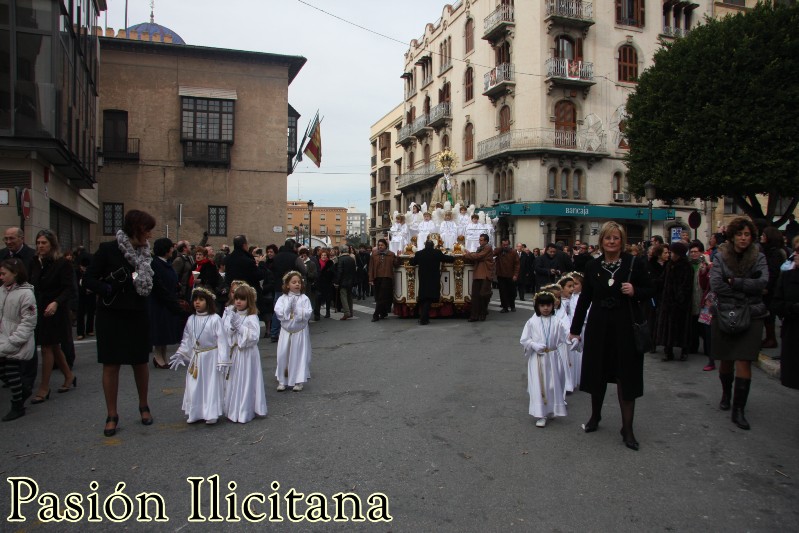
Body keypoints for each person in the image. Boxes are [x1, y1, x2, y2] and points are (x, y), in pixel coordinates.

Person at [569, 221, 654, 451]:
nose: (612, 242)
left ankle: (627, 428)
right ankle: (595, 417)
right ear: (602, 241)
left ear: (622, 241)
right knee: (598, 373)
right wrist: (575, 329)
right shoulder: (592, 266)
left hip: (626, 327)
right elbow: (584, 299)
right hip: (599, 327)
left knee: (626, 376)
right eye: (608, 238)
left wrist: (635, 291)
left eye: (616, 238)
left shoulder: (633, 263)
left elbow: (651, 289)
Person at [84, 209, 157, 436]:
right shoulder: (108, 249)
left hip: (137, 312)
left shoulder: (146, 254)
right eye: (148, 229)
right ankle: (112, 414)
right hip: (111, 313)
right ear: (137, 228)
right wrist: (107, 287)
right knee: (111, 363)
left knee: (140, 361)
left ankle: (143, 405)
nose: (150, 235)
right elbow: (88, 279)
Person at [711, 217, 769, 430]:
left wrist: (735, 282)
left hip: (752, 313)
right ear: (732, 235)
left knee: (744, 360)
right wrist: (746, 287)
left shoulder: (759, 257)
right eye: (739, 234)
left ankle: (738, 409)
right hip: (725, 312)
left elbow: (763, 282)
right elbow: (716, 284)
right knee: (726, 360)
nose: (743, 238)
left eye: (747, 235)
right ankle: (727, 393)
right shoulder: (721, 256)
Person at [29, 230, 76, 404]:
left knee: (47, 347)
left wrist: (56, 302)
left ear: (52, 245)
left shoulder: (62, 263)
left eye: (44, 243)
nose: (40, 246)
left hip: (55, 310)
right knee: (54, 346)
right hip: (39, 308)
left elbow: (69, 288)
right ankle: (69, 376)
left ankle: (44, 387)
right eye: (38, 242)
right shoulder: (34, 262)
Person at [169, 287, 226, 424]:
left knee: (210, 385)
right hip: (196, 357)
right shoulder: (191, 319)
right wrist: (181, 353)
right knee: (194, 385)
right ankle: (195, 412)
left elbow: (222, 340)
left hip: (211, 356)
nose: (197, 302)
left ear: (208, 302)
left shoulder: (215, 319)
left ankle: (211, 413)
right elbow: (187, 339)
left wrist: (223, 360)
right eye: (195, 300)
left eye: (201, 300)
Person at [520, 291, 570, 428]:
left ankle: (553, 409)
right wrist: (533, 345)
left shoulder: (557, 321)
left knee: (554, 384)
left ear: (553, 306)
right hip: (538, 359)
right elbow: (524, 339)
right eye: (542, 305)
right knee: (539, 384)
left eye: (548, 305)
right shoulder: (532, 321)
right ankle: (541, 414)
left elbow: (566, 336)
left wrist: (574, 340)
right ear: (537, 306)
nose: (546, 308)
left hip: (553, 357)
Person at [222, 284, 267, 423]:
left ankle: (244, 411)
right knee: (234, 381)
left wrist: (239, 327)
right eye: (236, 299)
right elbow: (225, 334)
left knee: (246, 381)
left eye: (242, 299)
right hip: (235, 353)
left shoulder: (252, 317)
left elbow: (253, 337)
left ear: (249, 301)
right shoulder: (232, 314)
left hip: (247, 354)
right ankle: (232, 410)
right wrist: (230, 327)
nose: (238, 302)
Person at [0, 258, 37, 421]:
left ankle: (17, 405)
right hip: (3, 338)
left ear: (15, 274)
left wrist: (14, 341)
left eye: (3, 273)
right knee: (5, 371)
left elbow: (28, 321)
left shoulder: (26, 294)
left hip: (16, 340)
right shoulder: (2, 291)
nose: (0, 277)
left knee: (11, 370)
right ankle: (23, 390)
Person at [149, 238, 186, 369]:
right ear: (165, 249)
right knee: (160, 331)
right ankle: (158, 357)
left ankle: (163, 357)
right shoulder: (155, 264)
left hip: (168, 300)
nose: (172, 250)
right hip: (160, 302)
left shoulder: (166, 263)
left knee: (165, 331)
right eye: (171, 247)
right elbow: (158, 285)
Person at [274, 271, 313, 392]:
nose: (297, 284)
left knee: (299, 355)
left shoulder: (304, 298)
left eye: (299, 282)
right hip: (286, 331)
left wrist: (297, 310)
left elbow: (308, 313)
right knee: (283, 355)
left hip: (299, 331)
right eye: (294, 282)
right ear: (287, 285)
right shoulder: (282, 298)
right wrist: (288, 308)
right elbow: (278, 312)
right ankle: (282, 380)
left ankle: (298, 380)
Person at [655, 241, 693, 361]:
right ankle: (668, 351)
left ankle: (684, 351)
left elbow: (686, 286)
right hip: (667, 302)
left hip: (680, 304)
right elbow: (662, 280)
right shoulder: (669, 265)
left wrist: (679, 298)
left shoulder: (687, 267)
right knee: (668, 329)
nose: (670, 254)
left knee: (682, 328)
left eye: (672, 252)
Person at [410, 240, 455, 325]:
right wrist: (453, 256)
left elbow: (412, 262)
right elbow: (448, 259)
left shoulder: (419, 253)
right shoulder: (437, 252)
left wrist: (412, 257)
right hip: (433, 278)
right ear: (433, 245)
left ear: (424, 245)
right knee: (429, 298)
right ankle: (424, 318)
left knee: (424, 298)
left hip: (423, 278)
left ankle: (424, 318)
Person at [773, 247, 799, 389]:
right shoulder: (787, 277)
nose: (796, 255)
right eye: (796, 252)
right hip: (792, 332)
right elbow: (776, 303)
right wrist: (791, 307)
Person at [269, 240, 306, 342]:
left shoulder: (276, 257)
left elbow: (272, 269)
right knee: (293, 309)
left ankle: (274, 332)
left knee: (278, 309)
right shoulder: (295, 257)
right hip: (291, 287)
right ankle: (290, 329)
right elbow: (304, 270)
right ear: (293, 247)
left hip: (278, 286)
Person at [760, 226, 787, 348]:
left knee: (769, 314)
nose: (761, 237)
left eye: (764, 235)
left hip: (772, 290)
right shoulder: (768, 250)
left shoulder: (774, 252)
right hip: (771, 288)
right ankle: (770, 338)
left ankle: (771, 339)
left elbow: (773, 271)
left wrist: (767, 287)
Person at [463, 234, 494, 322]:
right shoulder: (479, 248)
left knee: (483, 295)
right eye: (479, 240)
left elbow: (478, 256)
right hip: (478, 274)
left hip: (485, 273)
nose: (479, 241)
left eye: (481, 240)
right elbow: (476, 256)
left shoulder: (487, 248)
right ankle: (474, 315)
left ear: (486, 241)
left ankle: (482, 313)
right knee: (475, 296)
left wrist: (467, 254)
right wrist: (470, 255)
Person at [368, 239, 397, 322]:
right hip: (377, 277)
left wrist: (397, 258)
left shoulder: (391, 254)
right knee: (378, 297)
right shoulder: (374, 255)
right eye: (379, 245)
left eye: (382, 245)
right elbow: (371, 267)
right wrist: (370, 278)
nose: (380, 246)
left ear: (385, 246)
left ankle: (376, 315)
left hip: (387, 277)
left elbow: (396, 265)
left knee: (382, 297)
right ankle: (383, 313)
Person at [494, 238, 520, 313]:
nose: (505, 246)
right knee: (502, 292)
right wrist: (500, 249)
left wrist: (515, 275)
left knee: (512, 292)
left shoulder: (513, 252)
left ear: (509, 244)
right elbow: (493, 253)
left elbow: (517, 264)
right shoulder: (499, 251)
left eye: (506, 244)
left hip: (511, 275)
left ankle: (512, 306)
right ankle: (505, 307)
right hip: (501, 275)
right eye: (503, 245)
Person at [334, 248, 357, 320]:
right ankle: (350, 312)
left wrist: (337, 282)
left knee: (343, 296)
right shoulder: (351, 259)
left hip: (343, 281)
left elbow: (339, 271)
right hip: (351, 280)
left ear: (341, 251)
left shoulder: (340, 259)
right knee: (349, 296)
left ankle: (347, 312)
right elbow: (354, 271)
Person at [316, 250, 335, 319]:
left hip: (328, 283)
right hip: (319, 283)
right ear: (320, 256)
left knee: (328, 298)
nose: (324, 256)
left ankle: (328, 312)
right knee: (318, 298)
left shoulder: (330, 263)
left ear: (327, 256)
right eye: (322, 255)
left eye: (325, 255)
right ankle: (317, 313)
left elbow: (333, 273)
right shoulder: (317, 263)